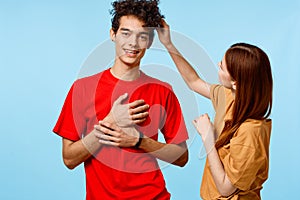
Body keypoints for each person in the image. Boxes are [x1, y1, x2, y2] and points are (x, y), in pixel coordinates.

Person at [53, 0, 189, 199]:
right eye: (125, 33)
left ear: (150, 42)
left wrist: (139, 141)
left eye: (142, 36)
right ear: (113, 34)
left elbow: (181, 157)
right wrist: (110, 121)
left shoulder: (163, 91)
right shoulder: (82, 89)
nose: (133, 43)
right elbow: (69, 158)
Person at [157, 20, 273, 199]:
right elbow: (193, 82)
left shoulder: (251, 132)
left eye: (223, 66)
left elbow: (226, 189)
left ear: (235, 82)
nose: (218, 65)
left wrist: (208, 138)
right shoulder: (229, 97)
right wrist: (168, 43)